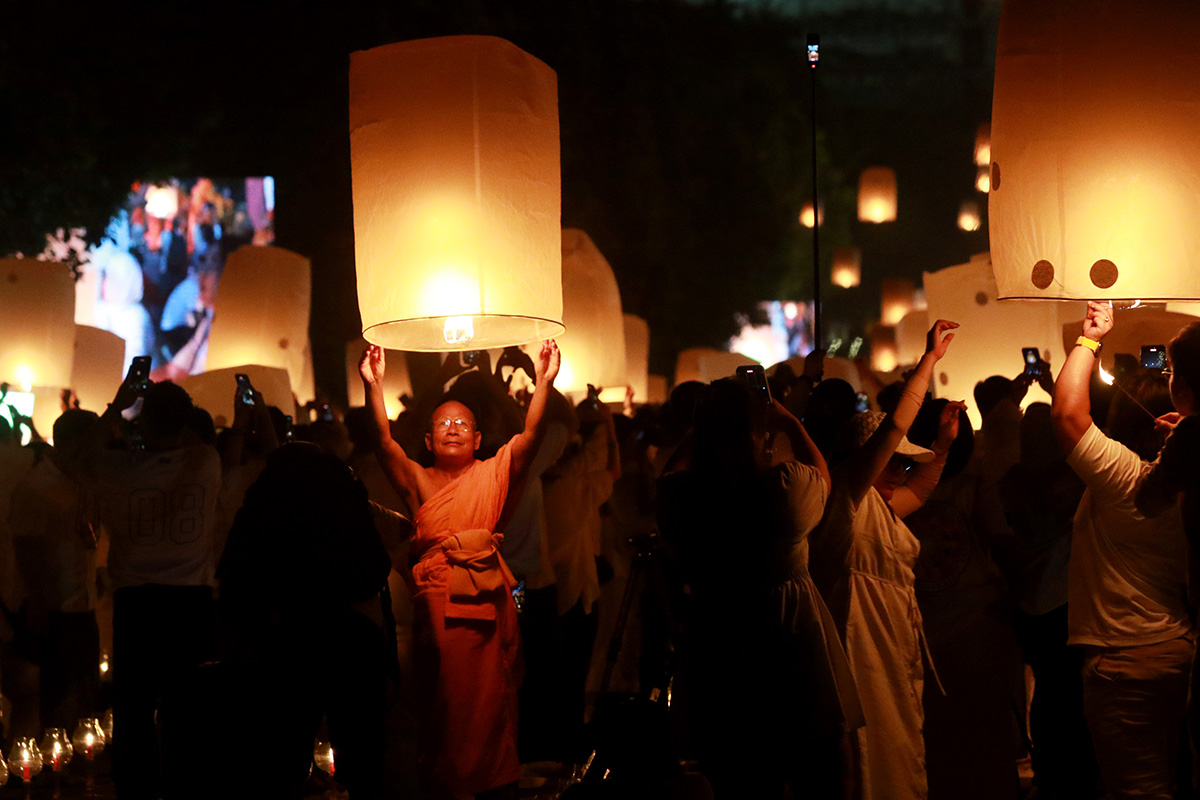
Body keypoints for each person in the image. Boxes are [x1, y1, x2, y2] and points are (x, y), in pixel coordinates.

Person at [360, 340, 561, 800]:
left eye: (462, 424)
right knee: (445, 702)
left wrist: (544, 383)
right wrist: (374, 385)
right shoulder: (418, 479)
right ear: (428, 440)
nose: (453, 429)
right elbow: (383, 442)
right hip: (438, 602)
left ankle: (493, 783)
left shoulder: (492, 472)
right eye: (443, 424)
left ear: (478, 439)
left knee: (490, 701)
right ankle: (445, 784)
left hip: (486, 604)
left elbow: (531, 437)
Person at [656, 378, 861, 799]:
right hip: (790, 639)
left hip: (716, 641)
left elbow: (669, 475)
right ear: (758, 433)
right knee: (824, 771)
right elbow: (822, 477)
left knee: (740, 777)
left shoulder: (682, 498)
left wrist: (702, 428)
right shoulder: (783, 489)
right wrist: (790, 423)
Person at [810, 319, 961, 800]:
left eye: (904, 463)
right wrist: (928, 363)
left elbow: (921, 489)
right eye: (893, 460)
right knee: (868, 757)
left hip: (892, 647)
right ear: (867, 458)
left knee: (899, 751)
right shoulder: (846, 499)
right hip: (860, 647)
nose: (901, 470)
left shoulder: (882, 507)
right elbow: (895, 427)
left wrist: (942, 447)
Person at [1051, 300, 1190, 800]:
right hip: (1181, 650)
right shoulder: (1191, 482)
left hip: (1126, 661)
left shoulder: (1128, 480)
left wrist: (1091, 337)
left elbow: (1067, 414)